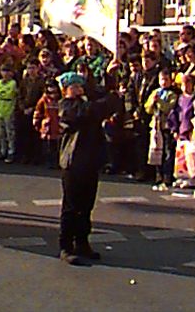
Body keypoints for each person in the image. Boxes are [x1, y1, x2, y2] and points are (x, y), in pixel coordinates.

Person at [57, 72, 121, 266]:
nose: (78, 88)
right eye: (73, 86)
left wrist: (112, 78)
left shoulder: (88, 101)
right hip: (73, 162)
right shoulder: (66, 106)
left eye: (80, 85)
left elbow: (103, 103)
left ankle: (82, 242)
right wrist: (109, 99)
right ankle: (66, 246)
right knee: (71, 206)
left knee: (86, 205)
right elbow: (86, 112)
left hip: (90, 161)